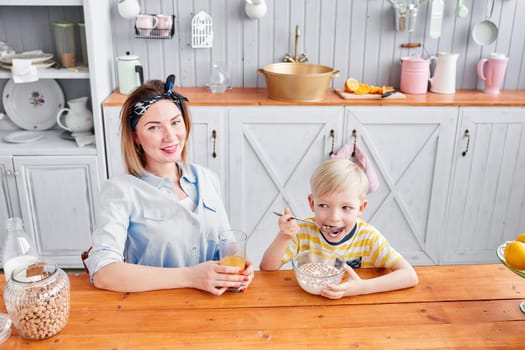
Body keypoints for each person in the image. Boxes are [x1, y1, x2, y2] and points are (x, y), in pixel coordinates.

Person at [83, 75, 254, 295]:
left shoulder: (208, 179)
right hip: (154, 315)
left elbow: (226, 248)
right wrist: (191, 277)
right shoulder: (121, 191)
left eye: (175, 122)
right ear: (135, 136)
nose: (170, 136)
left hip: (212, 310)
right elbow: (104, 273)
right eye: (154, 128)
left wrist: (237, 271)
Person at [260, 158, 418, 299]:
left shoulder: (368, 237)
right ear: (312, 203)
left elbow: (410, 276)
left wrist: (362, 288)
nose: (334, 217)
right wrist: (284, 237)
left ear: (361, 208)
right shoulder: (303, 232)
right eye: (324, 205)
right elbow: (267, 268)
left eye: (346, 207)